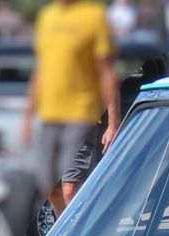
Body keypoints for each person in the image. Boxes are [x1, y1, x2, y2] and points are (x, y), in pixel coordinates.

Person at [24, 0, 121, 220]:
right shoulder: (48, 18)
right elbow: (40, 71)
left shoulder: (94, 17)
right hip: (50, 117)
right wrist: (27, 117)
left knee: (70, 189)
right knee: (49, 189)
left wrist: (113, 124)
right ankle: (65, 235)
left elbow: (107, 74)